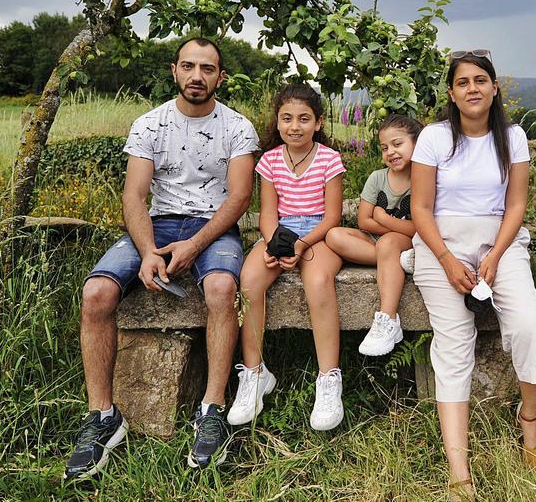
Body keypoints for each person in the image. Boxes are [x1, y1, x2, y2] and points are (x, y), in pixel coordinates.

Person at [65, 38, 257, 478]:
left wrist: (195, 246)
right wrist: (149, 250)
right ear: (174, 71)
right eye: (188, 66)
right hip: (158, 224)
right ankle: (102, 417)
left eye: (207, 69)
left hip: (214, 225)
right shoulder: (150, 125)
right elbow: (134, 195)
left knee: (223, 287)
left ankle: (212, 410)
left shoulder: (237, 127)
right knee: (95, 292)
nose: (197, 76)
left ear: (220, 77)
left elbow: (241, 196)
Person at [410, 50, 536, 499]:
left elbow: (515, 206)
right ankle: (460, 472)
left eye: (480, 80)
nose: (472, 88)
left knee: (531, 325)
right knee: (454, 342)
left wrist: (495, 253)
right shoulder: (434, 137)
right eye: (462, 82)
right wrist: (449, 260)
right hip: (440, 244)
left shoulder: (512, 137)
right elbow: (420, 208)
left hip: (501, 241)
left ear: (494, 88)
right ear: (451, 93)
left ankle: (529, 419)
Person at [229, 84, 348, 431]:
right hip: (280, 232)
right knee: (250, 280)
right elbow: (268, 213)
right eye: (287, 118)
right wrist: (274, 244)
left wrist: (301, 245)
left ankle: (328, 378)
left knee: (317, 280)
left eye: (304, 119)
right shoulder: (269, 161)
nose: (295, 126)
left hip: (318, 234)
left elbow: (332, 218)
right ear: (277, 122)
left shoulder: (329, 159)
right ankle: (254, 374)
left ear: (318, 122)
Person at [325, 114, 423, 356]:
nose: (390, 152)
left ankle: (388, 319)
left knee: (389, 241)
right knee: (334, 235)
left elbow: (420, 227)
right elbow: (363, 221)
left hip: (407, 241)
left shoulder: (423, 179)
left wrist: (384, 220)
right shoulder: (377, 178)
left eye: (397, 144)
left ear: (417, 143)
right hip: (378, 242)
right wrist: (381, 224)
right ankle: (396, 262)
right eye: (384, 147)